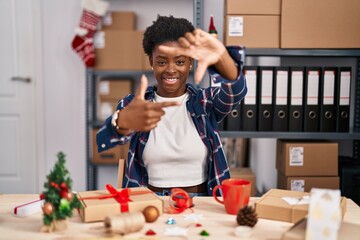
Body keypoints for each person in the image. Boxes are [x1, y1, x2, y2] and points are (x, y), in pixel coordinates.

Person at [96, 15, 247, 196]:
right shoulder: (136, 104)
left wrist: (222, 56)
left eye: (180, 61)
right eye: (161, 62)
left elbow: (237, 91)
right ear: (151, 62)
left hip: (200, 203)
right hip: (149, 202)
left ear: (190, 62)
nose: (171, 69)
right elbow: (103, 139)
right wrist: (122, 122)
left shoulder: (205, 102)